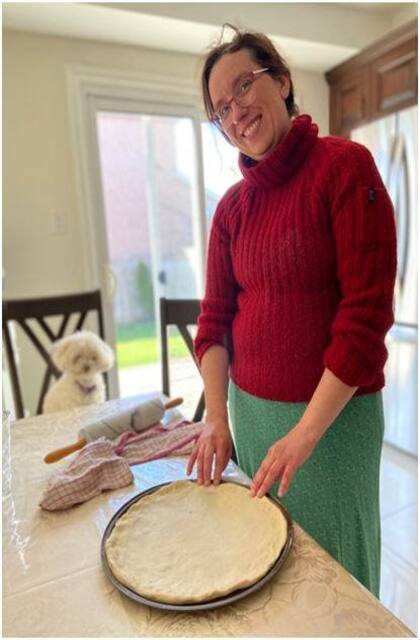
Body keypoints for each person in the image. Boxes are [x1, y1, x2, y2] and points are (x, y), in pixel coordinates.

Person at [186, 24, 397, 597]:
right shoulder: (230, 211)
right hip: (251, 420)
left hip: (333, 426)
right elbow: (213, 324)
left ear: (280, 80)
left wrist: (306, 433)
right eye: (220, 108)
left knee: (338, 586)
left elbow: (365, 321)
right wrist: (217, 418)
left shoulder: (346, 168)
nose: (236, 111)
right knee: (266, 577)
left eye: (244, 87)